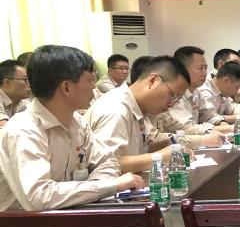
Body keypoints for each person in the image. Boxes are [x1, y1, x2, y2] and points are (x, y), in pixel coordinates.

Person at [0, 45, 143, 211]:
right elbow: (39, 197)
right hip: (22, 224)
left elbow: (108, 161)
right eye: (90, 80)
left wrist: (93, 188)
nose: (94, 87)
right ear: (66, 87)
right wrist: (109, 186)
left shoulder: (77, 121)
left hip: (71, 215)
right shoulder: (24, 130)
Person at [87, 56, 191, 174]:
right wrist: (161, 156)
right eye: (173, 96)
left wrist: (164, 145)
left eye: (177, 100)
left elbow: (134, 152)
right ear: (152, 81)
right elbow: (106, 164)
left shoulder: (138, 108)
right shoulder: (116, 108)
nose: (172, 104)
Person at [152, 46, 230, 143]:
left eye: (205, 68)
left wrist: (223, 125)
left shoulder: (196, 91)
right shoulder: (173, 95)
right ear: (183, 69)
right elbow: (185, 128)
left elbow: (208, 116)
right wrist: (203, 140)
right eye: (201, 68)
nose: (205, 73)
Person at [196, 61, 240, 126]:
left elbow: (231, 109)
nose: (238, 91)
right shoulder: (204, 91)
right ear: (226, 81)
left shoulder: (222, 90)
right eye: (237, 87)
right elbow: (211, 119)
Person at [0, 59, 31, 126]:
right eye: (25, 80)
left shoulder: (20, 100)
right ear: (7, 83)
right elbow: (5, 128)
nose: (30, 84)